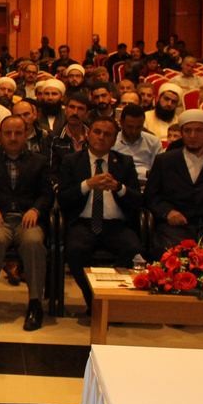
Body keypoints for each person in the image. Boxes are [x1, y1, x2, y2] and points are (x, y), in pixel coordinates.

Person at [0, 116, 53, 330]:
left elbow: (47, 195)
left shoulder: (39, 161)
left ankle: (35, 304)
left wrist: (36, 209)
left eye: (18, 133)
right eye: (8, 133)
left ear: (26, 134)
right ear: (0, 135)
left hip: (27, 219)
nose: (13, 137)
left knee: (34, 242)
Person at [58, 117, 144, 316]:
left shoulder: (124, 162)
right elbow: (63, 198)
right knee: (75, 250)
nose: (101, 137)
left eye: (107, 134)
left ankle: (112, 298)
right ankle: (94, 300)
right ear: (88, 134)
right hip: (83, 222)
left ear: (115, 140)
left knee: (133, 249)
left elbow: (137, 200)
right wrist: (88, 184)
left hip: (115, 224)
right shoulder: (72, 161)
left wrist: (119, 188)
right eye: (97, 132)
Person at [144, 110, 203, 257]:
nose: (193, 136)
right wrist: (167, 212)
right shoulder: (165, 161)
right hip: (176, 226)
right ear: (181, 133)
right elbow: (151, 196)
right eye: (187, 131)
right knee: (168, 254)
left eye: (199, 130)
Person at [111, 103, 162, 183]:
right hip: (119, 183)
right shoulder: (112, 140)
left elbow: (158, 171)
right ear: (121, 123)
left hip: (147, 184)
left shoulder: (153, 142)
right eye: (130, 127)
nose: (134, 131)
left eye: (138, 127)